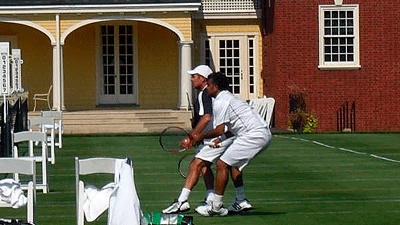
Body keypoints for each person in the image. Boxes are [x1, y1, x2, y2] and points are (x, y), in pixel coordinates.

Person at [193, 72, 272, 216]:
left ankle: (215, 206)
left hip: (253, 135)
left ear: (215, 87)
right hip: (261, 134)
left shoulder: (221, 101)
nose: (207, 88)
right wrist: (221, 139)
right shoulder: (230, 98)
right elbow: (230, 127)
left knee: (222, 164)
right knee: (233, 163)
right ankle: (240, 200)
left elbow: (219, 129)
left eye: (209, 85)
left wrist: (200, 137)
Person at [162, 65, 233, 214]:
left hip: (218, 137)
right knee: (205, 166)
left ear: (203, 79)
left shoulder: (204, 94)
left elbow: (207, 117)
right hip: (220, 135)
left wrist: (192, 136)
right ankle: (211, 198)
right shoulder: (210, 94)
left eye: (194, 76)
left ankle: (182, 201)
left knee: (195, 165)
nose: (191, 79)